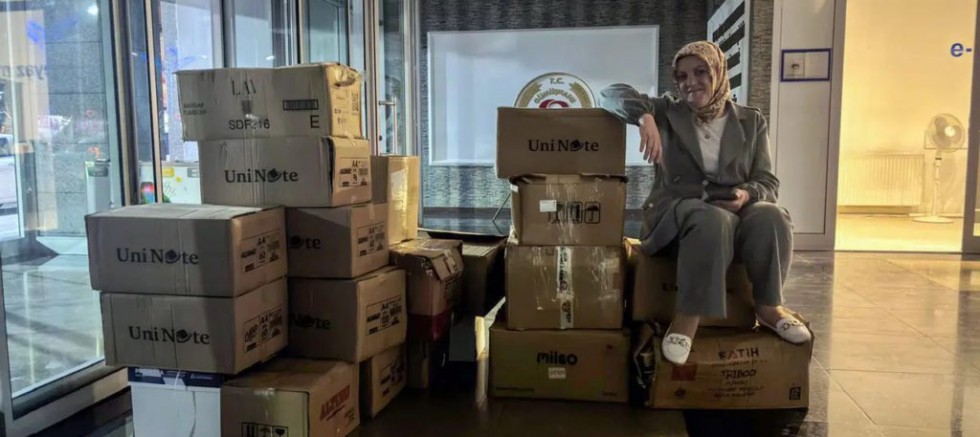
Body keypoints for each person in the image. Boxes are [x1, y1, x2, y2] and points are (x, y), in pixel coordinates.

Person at [600, 41, 811, 365]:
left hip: (736, 216)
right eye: (682, 76)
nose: (691, 82)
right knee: (712, 218)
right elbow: (609, 94)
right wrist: (644, 116)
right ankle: (688, 317)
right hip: (677, 216)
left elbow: (767, 182)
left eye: (701, 72)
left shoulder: (750, 121)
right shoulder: (667, 111)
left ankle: (769, 307)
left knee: (772, 215)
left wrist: (745, 195)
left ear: (718, 72)